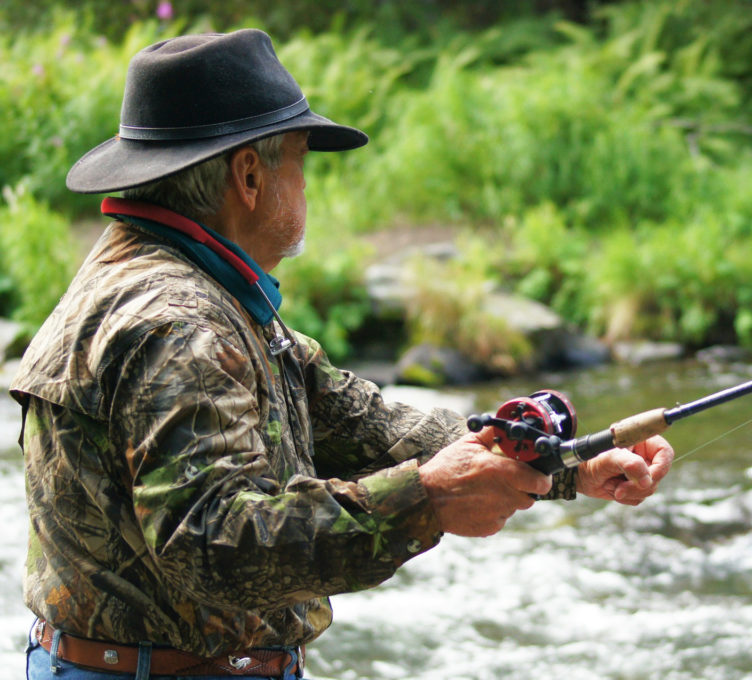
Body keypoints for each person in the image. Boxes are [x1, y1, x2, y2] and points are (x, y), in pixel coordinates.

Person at [10, 29, 674, 679]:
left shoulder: (182, 283)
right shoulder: (181, 322)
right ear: (248, 176)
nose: (305, 187)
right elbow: (212, 545)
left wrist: (566, 464)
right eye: (300, 161)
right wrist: (428, 501)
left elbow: (359, 423)